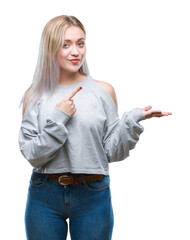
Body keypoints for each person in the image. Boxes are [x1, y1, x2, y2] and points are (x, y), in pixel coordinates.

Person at [18, 15, 172, 240]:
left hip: (92, 194)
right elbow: (33, 155)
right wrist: (59, 118)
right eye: (66, 44)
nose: (76, 52)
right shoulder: (35, 94)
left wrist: (131, 121)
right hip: (45, 194)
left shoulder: (103, 91)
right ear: (50, 48)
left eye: (80, 43)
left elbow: (111, 152)